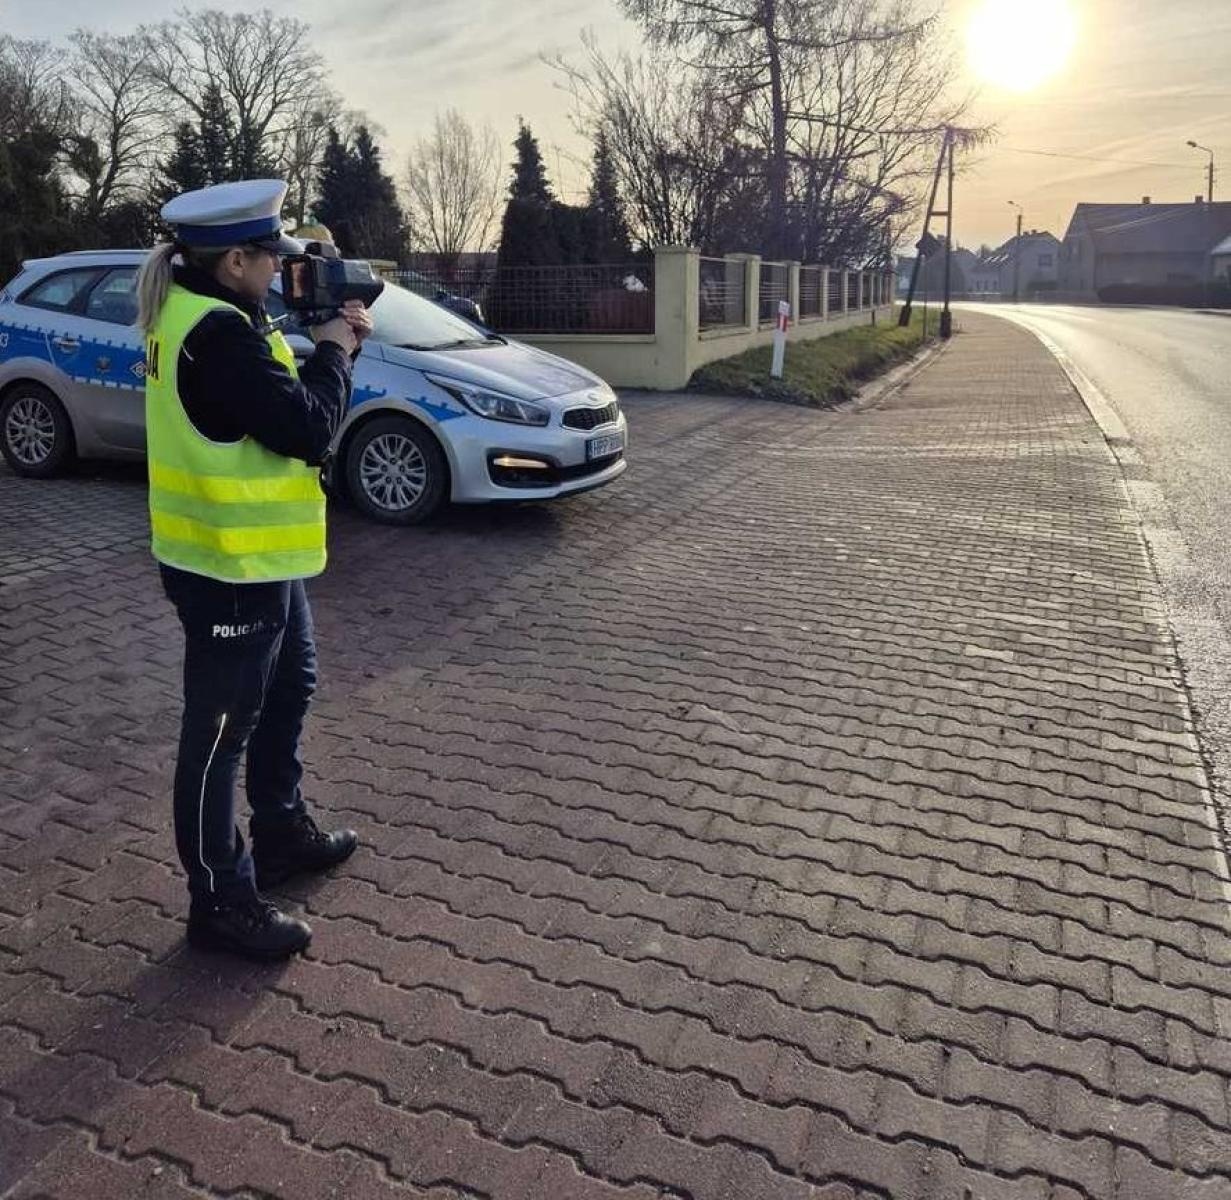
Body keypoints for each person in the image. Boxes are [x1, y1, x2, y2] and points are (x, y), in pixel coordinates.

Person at [135, 179, 373, 961]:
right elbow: (308, 429)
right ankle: (221, 902)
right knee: (216, 738)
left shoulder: (218, 315)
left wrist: (324, 339)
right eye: (270, 256)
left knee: (290, 687)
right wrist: (336, 350)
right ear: (233, 258)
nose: (279, 268)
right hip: (224, 567)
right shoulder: (221, 336)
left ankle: (278, 831)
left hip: (259, 560)